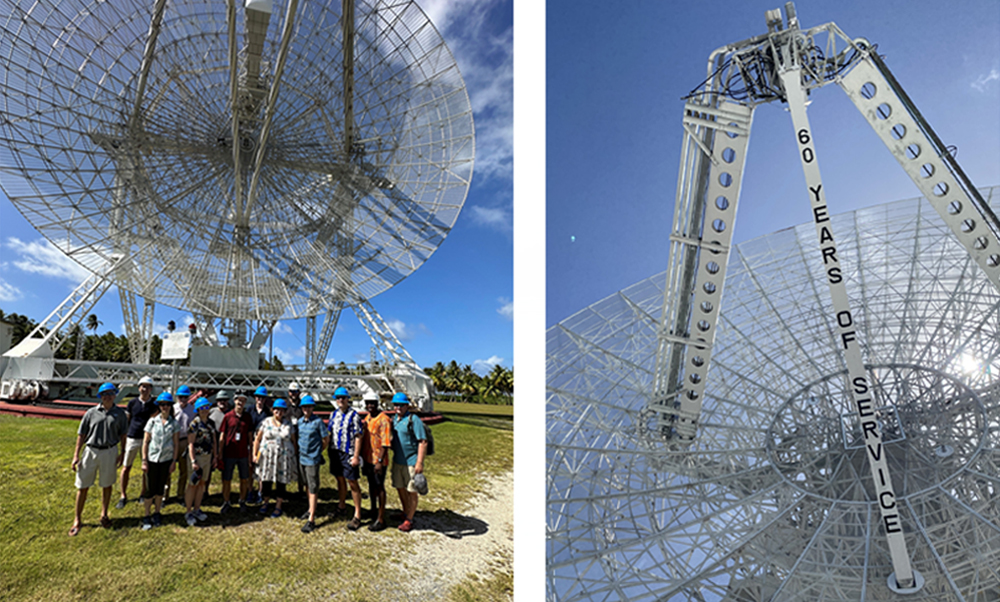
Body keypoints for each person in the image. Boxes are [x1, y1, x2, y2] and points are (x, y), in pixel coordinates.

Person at [69, 382, 128, 536]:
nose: (107, 397)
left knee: (106, 484)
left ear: (115, 395)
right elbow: (81, 434)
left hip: (109, 451)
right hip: (91, 451)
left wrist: (122, 452)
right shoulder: (91, 413)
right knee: (82, 486)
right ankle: (77, 519)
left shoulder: (120, 414)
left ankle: (104, 514)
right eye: (104, 394)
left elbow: (123, 435)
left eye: (110, 393)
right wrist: (76, 455)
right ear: (100, 397)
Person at [116, 375, 157, 509]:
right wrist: (123, 435)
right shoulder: (132, 403)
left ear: (151, 389)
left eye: (147, 387)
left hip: (147, 439)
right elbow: (127, 419)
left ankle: (143, 493)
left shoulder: (154, 405)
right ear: (139, 388)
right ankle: (123, 495)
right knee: (126, 467)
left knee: (146, 468)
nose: (145, 389)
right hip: (132, 437)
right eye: (142, 386)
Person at [141, 392, 180, 530]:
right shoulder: (152, 421)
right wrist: (144, 460)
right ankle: (146, 515)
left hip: (166, 460)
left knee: (160, 488)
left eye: (167, 404)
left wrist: (174, 461)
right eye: (162, 404)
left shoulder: (174, 423)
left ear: (171, 406)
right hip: (152, 459)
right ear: (159, 406)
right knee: (150, 489)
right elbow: (146, 442)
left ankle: (157, 512)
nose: (165, 407)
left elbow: (176, 443)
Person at [253, 398, 297, 518]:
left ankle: (278, 505)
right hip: (267, 456)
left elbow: (293, 440)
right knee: (266, 479)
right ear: (272, 410)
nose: (279, 412)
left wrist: (295, 456)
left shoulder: (288, 424)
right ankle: (265, 502)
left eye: (282, 410)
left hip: (283, 457)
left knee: (281, 481)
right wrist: (254, 454)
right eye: (276, 409)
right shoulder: (265, 422)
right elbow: (257, 439)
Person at [390, 392, 428, 532]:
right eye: (396, 405)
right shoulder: (395, 419)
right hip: (398, 461)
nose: (398, 407)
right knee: (400, 487)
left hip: (411, 461)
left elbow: (423, 441)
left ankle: (410, 519)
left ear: (407, 406)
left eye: (401, 405)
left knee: (412, 490)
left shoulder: (414, 419)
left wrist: (419, 462)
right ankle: (405, 512)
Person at [328, 386, 364, 531]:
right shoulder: (333, 414)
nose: (340, 400)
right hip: (335, 452)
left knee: (352, 482)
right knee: (340, 479)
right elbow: (329, 432)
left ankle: (357, 514)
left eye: (343, 398)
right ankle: (341, 506)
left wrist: (356, 456)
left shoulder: (354, 415)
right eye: (338, 398)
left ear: (348, 399)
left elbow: (358, 436)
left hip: (348, 453)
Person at [296, 395, 329, 533]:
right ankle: (310, 509)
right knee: (306, 485)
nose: (306, 409)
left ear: (312, 408)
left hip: (312, 459)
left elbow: (325, 439)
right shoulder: (300, 422)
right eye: (304, 407)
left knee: (313, 487)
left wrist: (318, 452)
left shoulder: (318, 422)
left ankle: (312, 519)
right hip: (302, 458)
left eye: (309, 407)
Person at [361, 391, 392, 531]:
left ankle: (381, 518)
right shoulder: (368, 418)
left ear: (377, 403)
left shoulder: (384, 419)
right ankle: (373, 510)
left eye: (372, 403)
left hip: (378, 460)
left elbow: (385, 443)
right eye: (367, 403)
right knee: (371, 485)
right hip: (368, 458)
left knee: (379, 487)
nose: (370, 405)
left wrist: (379, 461)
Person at [218, 391, 253, 513]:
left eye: (243, 400)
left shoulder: (248, 417)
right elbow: (222, 435)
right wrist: (220, 453)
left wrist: (251, 454)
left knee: (244, 479)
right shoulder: (228, 416)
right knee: (227, 479)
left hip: (243, 453)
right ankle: (226, 502)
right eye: (238, 400)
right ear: (234, 401)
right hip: (229, 453)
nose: (240, 402)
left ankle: (242, 501)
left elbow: (250, 437)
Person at [184, 399, 218, 526]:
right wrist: (193, 461)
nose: (204, 410)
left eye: (206, 407)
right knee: (192, 484)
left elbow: (214, 441)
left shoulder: (211, 423)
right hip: (196, 458)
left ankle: (197, 508)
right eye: (202, 408)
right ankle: (188, 511)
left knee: (202, 484)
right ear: (198, 410)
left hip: (207, 458)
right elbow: (191, 444)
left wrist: (215, 457)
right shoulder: (194, 424)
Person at [167, 384, 195, 503]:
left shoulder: (192, 410)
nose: (183, 400)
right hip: (172, 441)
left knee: (183, 471)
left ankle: (180, 495)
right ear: (177, 397)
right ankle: (165, 496)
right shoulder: (172, 408)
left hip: (185, 440)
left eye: (185, 397)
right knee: (168, 469)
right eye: (180, 397)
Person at [247, 385, 270, 503]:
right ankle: (250, 491)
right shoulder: (250, 410)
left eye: (262, 397)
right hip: (250, 441)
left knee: (261, 468)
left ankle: (260, 492)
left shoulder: (268, 412)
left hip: (263, 443)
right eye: (258, 397)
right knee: (250, 467)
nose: (260, 399)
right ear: (255, 398)